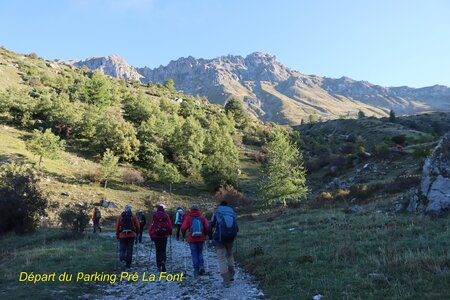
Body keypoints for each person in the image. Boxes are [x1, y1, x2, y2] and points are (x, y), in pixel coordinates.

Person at [209, 201, 239, 288]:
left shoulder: (217, 213)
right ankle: (232, 272)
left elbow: (210, 227)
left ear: (220, 205)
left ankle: (226, 280)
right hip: (231, 238)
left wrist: (210, 238)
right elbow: (237, 228)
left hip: (220, 239)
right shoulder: (231, 212)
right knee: (230, 254)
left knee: (221, 258)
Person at [181, 204, 209, 277]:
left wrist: (183, 235)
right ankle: (201, 266)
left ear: (191, 209)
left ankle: (196, 270)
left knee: (194, 254)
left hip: (192, 238)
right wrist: (205, 235)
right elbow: (207, 227)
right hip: (201, 238)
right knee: (200, 252)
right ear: (198, 209)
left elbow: (183, 227)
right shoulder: (202, 217)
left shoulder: (189, 217)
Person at [149, 205, 172, 272]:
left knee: (158, 250)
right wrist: (170, 232)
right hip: (164, 236)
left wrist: (151, 235)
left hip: (156, 236)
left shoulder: (155, 215)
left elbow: (151, 225)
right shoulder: (166, 215)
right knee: (163, 250)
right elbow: (169, 225)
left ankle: (158, 265)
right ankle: (163, 261)